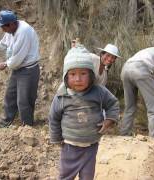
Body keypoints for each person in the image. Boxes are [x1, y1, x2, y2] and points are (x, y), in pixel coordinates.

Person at [48, 46, 119, 180]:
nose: (78, 79)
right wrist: (56, 139)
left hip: (91, 146)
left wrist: (109, 120)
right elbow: (54, 118)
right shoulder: (62, 96)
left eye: (83, 74)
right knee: (65, 176)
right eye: (72, 74)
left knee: (87, 177)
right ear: (66, 77)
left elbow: (112, 103)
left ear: (91, 75)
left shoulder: (99, 91)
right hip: (69, 147)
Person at [0, 10, 40, 127]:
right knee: (10, 96)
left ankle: (27, 127)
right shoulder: (11, 30)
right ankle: (7, 122)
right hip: (18, 69)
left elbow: (18, 57)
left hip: (28, 70)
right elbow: (3, 44)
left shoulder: (24, 32)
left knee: (24, 100)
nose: (2, 30)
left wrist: (5, 64)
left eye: (3, 27)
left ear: (11, 24)